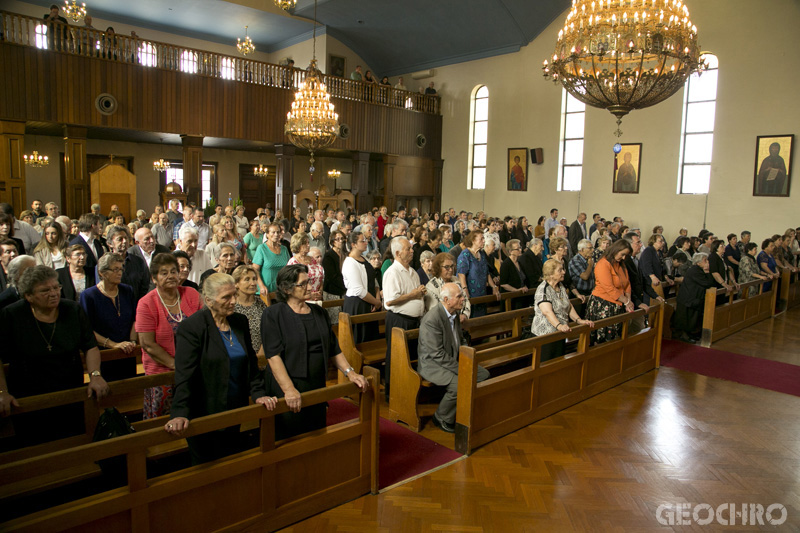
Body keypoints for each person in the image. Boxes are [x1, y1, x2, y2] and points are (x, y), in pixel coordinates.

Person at [164, 273, 277, 464]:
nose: (233, 301)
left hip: (234, 407)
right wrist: (180, 412)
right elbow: (185, 374)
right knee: (207, 467)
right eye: (226, 297)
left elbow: (250, 362)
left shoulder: (239, 321)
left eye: (234, 295)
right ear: (208, 300)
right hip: (204, 409)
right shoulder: (192, 328)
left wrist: (258, 393)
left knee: (231, 461)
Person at [0, 265, 109, 446]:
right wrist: (2, 392)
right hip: (28, 395)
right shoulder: (12, 315)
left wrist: (95, 375)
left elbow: (89, 346)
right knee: (35, 445)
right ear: (28, 296)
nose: (54, 293)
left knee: (72, 441)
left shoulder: (72, 310)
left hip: (69, 390)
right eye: (45, 290)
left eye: (56, 287)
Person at [261, 265, 369, 440]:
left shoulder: (319, 312)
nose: (310, 287)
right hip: (288, 386)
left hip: (316, 382)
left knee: (315, 434)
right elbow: (273, 356)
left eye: (309, 282)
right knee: (290, 439)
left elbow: (333, 348)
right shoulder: (273, 314)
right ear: (286, 288)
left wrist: (350, 373)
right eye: (303, 284)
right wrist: (289, 389)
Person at [136, 253, 204, 418]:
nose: (171, 276)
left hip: (195, 367)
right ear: (154, 278)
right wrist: (176, 365)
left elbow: (205, 325)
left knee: (196, 416)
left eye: (174, 271)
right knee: (165, 423)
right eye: (164, 273)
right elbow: (147, 344)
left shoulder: (191, 293)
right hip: (162, 371)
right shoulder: (146, 303)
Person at [417, 283, 488, 433]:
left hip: (450, 360)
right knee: (459, 384)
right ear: (446, 299)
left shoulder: (454, 314)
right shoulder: (432, 319)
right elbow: (436, 354)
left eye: (462, 295)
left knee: (483, 374)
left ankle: (463, 411)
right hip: (432, 364)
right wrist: (460, 368)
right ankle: (441, 417)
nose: (463, 299)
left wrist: (467, 357)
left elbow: (460, 339)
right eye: (459, 296)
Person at [80, 253, 138, 381]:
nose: (120, 273)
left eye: (121, 269)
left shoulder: (127, 290)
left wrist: (132, 341)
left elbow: (135, 318)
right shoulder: (89, 296)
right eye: (115, 269)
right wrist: (114, 345)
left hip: (128, 351)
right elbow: (87, 331)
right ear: (102, 273)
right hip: (103, 354)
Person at [383, 237, 426, 400]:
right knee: (396, 356)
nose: (412, 251)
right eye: (408, 248)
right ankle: (393, 393)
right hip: (398, 319)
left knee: (410, 356)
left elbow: (414, 294)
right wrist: (413, 294)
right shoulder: (392, 272)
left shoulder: (413, 271)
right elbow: (390, 300)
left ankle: (408, 390)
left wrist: (420, 292)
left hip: (413, 320)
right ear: (398, 253)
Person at [532, 259, 595, 362]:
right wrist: (559, 326)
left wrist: (579, 320)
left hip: (560, 331)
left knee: (558, 362)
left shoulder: (560, 286)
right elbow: (547, 312)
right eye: (560, 270)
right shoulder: (543, 289)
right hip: (546, 334)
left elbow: (568, 305)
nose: (564, 272)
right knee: (547, 364)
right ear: (551, 274)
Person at [585, 239, 633, 344]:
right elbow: (609, 288)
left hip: (618, 305)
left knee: (616, 340)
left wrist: (628, 300)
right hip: (603, 305)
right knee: (603, 341)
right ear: (616, 250)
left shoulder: (620, 264)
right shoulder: (603, 263)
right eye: (622, 254)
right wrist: (627, 302)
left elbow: (627, 284)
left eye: (626, 255)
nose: (624, 258)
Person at [342, 231, 382, 343]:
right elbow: (358, 290)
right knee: (361, 339)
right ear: (353, 244)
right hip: (358, 304)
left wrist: (377, 299)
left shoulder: (365, 259)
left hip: (370, 302)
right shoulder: (350, 262)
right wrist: (376, 302)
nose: (366, 242)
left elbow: (374, 280)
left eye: (365, 240)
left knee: (371, 339)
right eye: (362, 241)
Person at [674, 253, 716, 343]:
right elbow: (707, 283)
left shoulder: (698, 270)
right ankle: (684, 336)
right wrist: (708, 272)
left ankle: (690, 334)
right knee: (686, 319)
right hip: (688, 299)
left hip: (693, 298)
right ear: (698, 263)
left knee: (692, 318)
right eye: (705, 260)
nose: (707, 262)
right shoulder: (695, 271)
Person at [457, 230, 499, 317]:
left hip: (482, 293)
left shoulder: (482, 254)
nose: (484, 241)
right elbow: (461, 274)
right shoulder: (465, 254)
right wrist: (465, 290)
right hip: (471, 293)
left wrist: (494, 287)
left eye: (483, 238)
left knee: (482, 318)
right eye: (481, 239)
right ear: (473, 241)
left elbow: (487, 272)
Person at [106, 225, 151, 306]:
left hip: (137, 305)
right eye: (120, 239)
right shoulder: (105, 264)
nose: (124, 241)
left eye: (126, 238)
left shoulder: (138, 261)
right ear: (110, 244)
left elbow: (145, 284)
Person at [232, 265, 268, 355]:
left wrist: (261, 353)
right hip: (239, 354)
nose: (253, 283)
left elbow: (269, 330)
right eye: (247, 279)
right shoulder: (231, 306)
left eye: (254, 279)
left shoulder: (261, 303)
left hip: (262, 354)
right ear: (236, 284)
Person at [287, 232, 323, 302]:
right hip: (302, 300)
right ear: (298, 245)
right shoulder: (293, 262)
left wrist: (320, 292)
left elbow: (320, 277)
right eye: (305, 243)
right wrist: (309, 294)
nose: (308, 245)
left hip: (317, 298)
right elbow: (293, 285)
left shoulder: (312, 259)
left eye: (308, 242)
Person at [321, 230, 347, 325]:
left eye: (342, 239)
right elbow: (331, 277)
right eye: (338, 239)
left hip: (344, 290)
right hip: (333, 292)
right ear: (333, 242)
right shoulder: (329, 256)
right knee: (334, 321)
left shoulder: (345, 254)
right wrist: (346, 285)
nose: (341, 241)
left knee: (345, 321)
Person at [499, 238, 531, 308]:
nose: (520, 250)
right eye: (517, 249)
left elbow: (523, 278)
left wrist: (525, 286)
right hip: (511, 299)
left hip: (521, 297)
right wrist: (516, 290)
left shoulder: (519, 263)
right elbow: (503, 284)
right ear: (510, 251)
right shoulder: (506, 264)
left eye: (520, 247)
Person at [568, 239, 595, 310]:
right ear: (582, 249)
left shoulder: (589, 259)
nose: (592, 250)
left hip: (589, 292)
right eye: (590, 248)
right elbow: (585, 276)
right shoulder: (575, 261)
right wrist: (590, 265)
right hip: (579, 294)